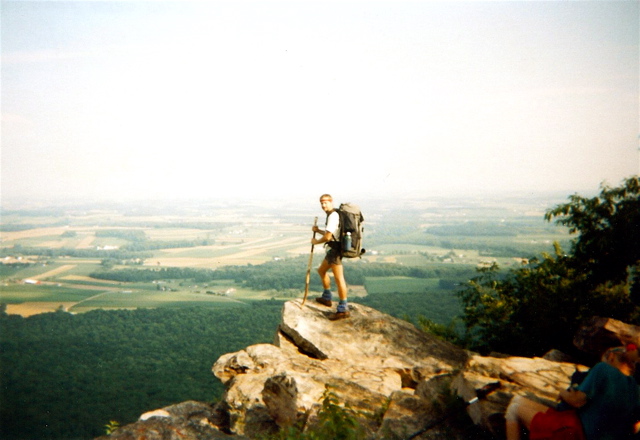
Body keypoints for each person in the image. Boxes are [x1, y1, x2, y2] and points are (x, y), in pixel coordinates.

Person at [505, 345, 640, 440]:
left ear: (610, 356)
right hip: (588, 431)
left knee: (514, 409)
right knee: (518, 400)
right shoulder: (636, 388)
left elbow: (577, 401)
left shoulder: (603, 369)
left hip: (575, 432)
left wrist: (563, 393)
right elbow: (635, 427)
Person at [312, 194, 350, 320]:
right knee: (321, 270)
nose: (323, 205)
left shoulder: (333, 216)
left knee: (339, 279)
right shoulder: (332, 215)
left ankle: (343, 309)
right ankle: (327, 298)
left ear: (331, 202)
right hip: (332, 250)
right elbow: (331, 233)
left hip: (336, 251)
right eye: (321, 203)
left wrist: (316, 242)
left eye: (325, 203)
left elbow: (328, 237)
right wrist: (318, 231)